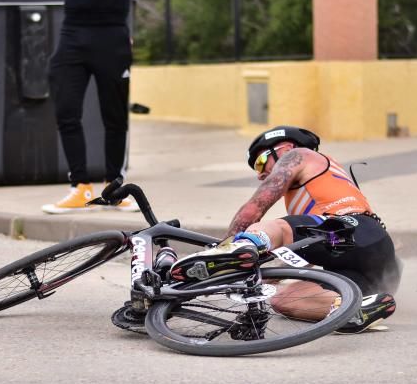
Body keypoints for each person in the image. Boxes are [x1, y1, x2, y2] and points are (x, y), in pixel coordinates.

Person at [170, 126, 402, 334]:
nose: (260, 174)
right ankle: (355, 308)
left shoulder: (299, 155)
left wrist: (220, 252)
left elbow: (253, 209)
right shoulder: (315, 189)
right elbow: (305, 250)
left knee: (277, 228)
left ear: (286, 147)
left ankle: (227, 254)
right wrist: (273, 277)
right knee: (283, 299)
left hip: (352, 229)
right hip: (376, 267)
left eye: (261, 162)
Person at [38, 0, 141, 214]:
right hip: (73, 30)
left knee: (115, 116)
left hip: (111, 32)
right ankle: (80, 188)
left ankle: (114, 190)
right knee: (66, 110)